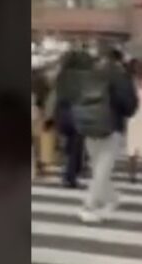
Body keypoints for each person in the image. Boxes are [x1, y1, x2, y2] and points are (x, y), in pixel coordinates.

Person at [66, 52, 137, 223]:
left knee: (98, 165)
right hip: (111, 125)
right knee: (102, 168)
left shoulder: (88, 75)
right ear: (119, 60)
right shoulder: (118, 76)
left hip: (88, 124)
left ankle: (112, 198)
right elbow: (129, 104)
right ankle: (88, 206)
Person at [53, 51, 93, 189]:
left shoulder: (61, 76)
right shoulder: (85, 77)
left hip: (62, 112)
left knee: (70, 147)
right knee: (76, 148)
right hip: (77, 113)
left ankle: (68, 173)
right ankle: (70, 176)